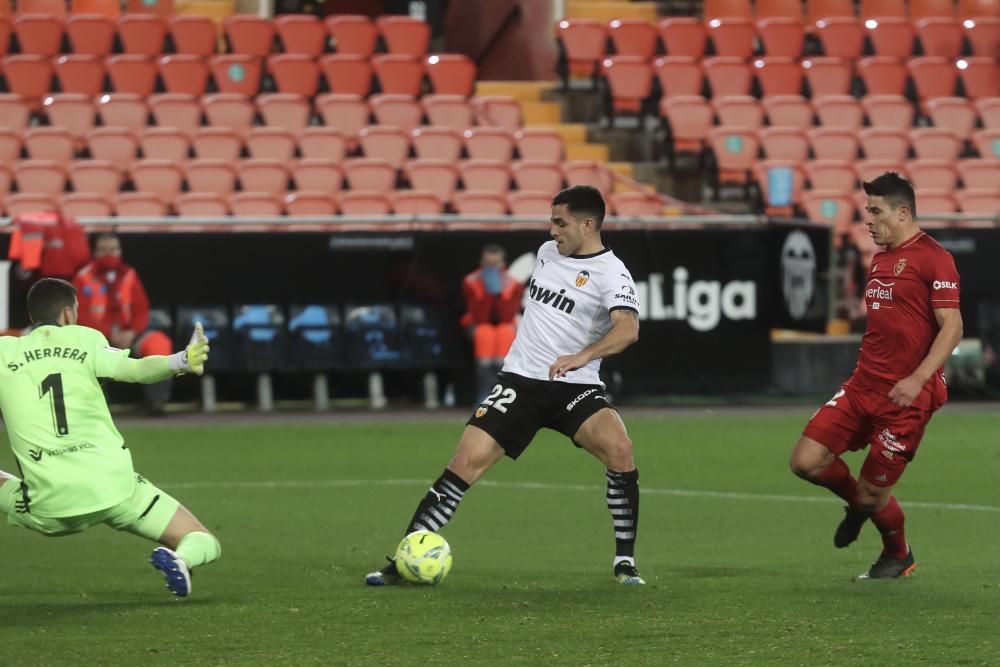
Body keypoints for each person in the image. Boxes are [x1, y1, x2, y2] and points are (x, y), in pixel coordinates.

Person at [366, 185, 645, 586]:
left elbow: (628, 329)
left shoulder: (612, 274)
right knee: (463, 463)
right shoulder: (548, 255)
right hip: (522, 381)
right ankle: (404, 559)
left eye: (560, 222)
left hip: (575, 387)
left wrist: (583, 356)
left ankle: (625, 563)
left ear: (588, 224)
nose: (551, 231)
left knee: (621, 450)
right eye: (552, 222)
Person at [789, 172, 963, 579]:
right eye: (867, 210)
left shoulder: (935, 258)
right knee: (805, 461)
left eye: (875, 211)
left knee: (872, 490)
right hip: (863, 385)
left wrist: (919, 379)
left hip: (907, 398)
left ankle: (895, 551)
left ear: (903, 213)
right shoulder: (880, 256)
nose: (867, 219)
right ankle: (862, 506)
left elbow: (952, 326)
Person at [0, 278, 221, 597]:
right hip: (116, 489)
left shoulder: (5, 350)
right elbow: (135, 370)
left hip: (49, 504)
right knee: (202, 539)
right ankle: (182, 558)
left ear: (32, 315)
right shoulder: (85, 340)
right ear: (68, 314)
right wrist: (181, 360)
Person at [72, 233, 176, 416]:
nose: (109, 254)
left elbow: (141, 308)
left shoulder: (129, 274)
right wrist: (109, 335)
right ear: (94, 252)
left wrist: (132, 332)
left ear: (120, 250)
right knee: (79, 352)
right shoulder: (82, 278)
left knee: (159, 343)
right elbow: (82, 315)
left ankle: (155, 404)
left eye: (113, 249)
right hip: (98, 339)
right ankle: (97, 408)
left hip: (131, 335)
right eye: (103, 250)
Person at [460, 244, 525, 400]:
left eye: (495, 263)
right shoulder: (471, 281)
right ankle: (485, 391)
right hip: (480, 324)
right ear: (481, 263)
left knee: (504, 331)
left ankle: (502, 389)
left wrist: (499, 292)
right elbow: (479, 316)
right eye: (488, 263)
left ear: (503, 264)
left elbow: (508, 315)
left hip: (505, 324)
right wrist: (488, 291)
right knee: (485, 333)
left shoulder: (514, 282)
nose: (492, 267)